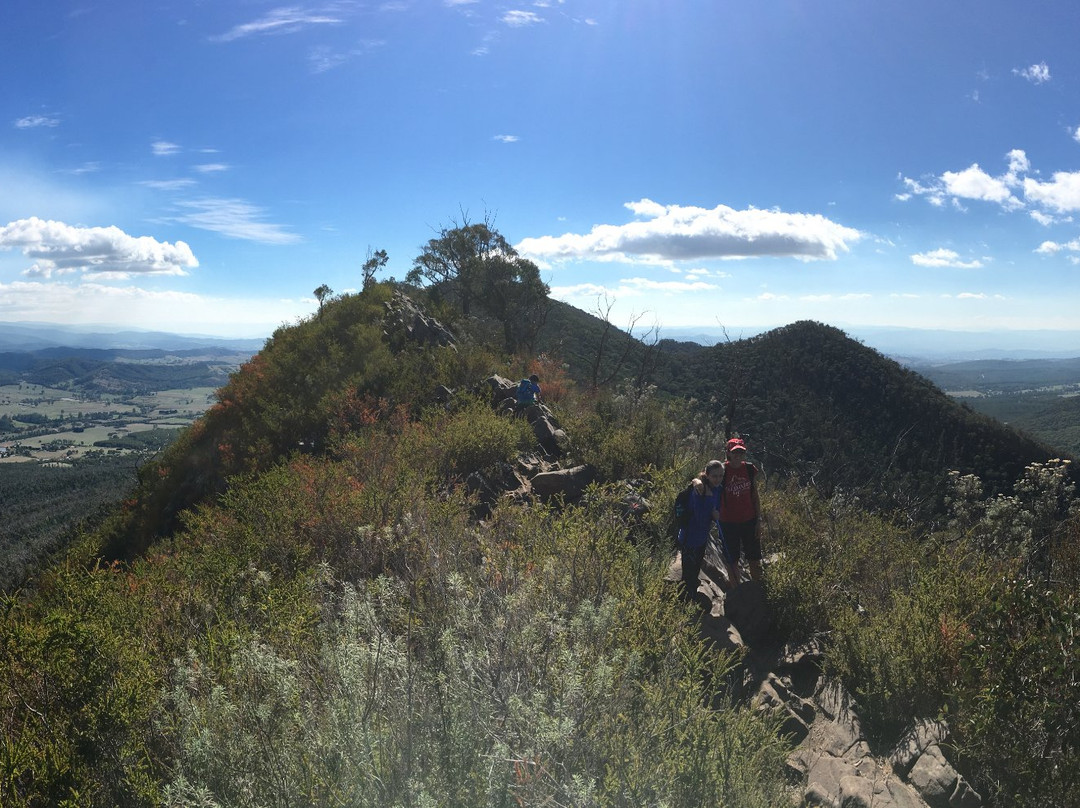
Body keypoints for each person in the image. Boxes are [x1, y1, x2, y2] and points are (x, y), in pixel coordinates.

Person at [716, 437, 763, 586]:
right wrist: (696, 482)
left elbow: (755, 496)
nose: (738, 456)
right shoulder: (721, 470)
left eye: (741, 452)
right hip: (728, 523)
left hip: (749, 520)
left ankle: (758, 588)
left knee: (754, 557)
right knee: (732, 559)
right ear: (728, 453)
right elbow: (704, 479)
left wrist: (758, 520)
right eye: (735, 452)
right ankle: (737, 593)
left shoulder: (749, 469)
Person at [676, 459, 724, 605]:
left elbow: (714, 509)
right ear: (707, 475)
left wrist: (715, 514)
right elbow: (699, 516)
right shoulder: (700, 490)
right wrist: (712, 512)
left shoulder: (717, 489)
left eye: (721, 476)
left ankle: (690, 598)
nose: (718, 479)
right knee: (688, 573)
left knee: (695, 570)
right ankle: (684, 603)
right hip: (690, 537)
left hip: (701, 538)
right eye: (715, 476)